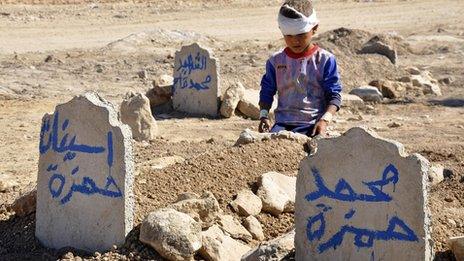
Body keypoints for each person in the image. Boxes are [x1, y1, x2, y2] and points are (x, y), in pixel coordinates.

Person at [258, 0, 342, 137]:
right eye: (289, 36)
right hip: (282, 125)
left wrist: (324, 120)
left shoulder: (325, 60)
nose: (295, 41)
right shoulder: (275, 61)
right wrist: (263, 115)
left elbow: (334, 95)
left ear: (314, 28)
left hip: (313, 124)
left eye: (301, 35)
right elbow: (267, 91)